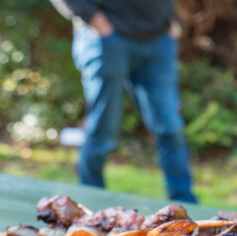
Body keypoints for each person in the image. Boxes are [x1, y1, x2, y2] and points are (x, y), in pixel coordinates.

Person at [50, 0, 197, 202]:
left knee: (170, 127)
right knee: (102, 127)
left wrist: (171, 20)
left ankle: (186, 211)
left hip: (159, 38)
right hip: (107, 38)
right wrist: (97, 21)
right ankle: (91, 209)